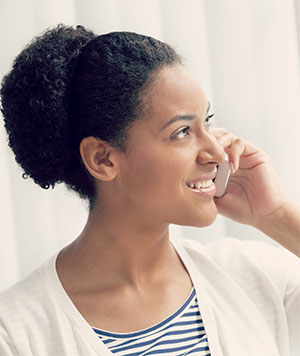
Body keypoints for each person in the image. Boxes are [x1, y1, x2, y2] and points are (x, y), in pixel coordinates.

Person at [0, 24, 299, 356]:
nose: (216, 152)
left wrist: (275, 214)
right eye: (183, 131)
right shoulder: (16, 334)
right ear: (102, 159)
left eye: (207, 122)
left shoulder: (250, 276)